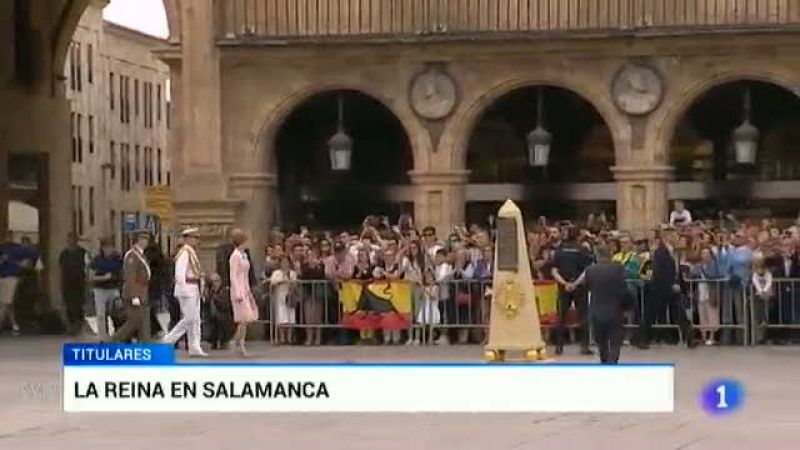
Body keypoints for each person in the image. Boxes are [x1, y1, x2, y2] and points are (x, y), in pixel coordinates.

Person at [634, 233, 695, 349]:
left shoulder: (673, 252)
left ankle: (689, 338)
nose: (677, 238)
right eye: (674, 236)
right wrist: (671, 285)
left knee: (680, 314)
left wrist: (680, 286)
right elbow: (660, 272)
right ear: (668, 238)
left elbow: (676, 271)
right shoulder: (660, 252)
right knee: (649, 315)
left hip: (671, 289)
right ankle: (640, 339)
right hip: (660, 289)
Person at [577, 245, 633, 364]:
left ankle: (605, 363)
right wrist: (628, 306)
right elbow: (624, 290)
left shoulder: (590, 270)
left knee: (601, 343)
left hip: (597, 311)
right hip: (615, 311)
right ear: (610, 254)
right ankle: (612, 363)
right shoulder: (619, 269)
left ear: (597, 255)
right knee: (615, 342)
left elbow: (587, 288)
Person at [162, 228, 208, 357]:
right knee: (189, 318)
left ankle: (195, 346)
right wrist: (183, 290)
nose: (197, 240)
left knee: (196, 319)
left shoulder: (192, 252)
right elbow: (180, 273)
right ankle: (168, 340)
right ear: (187, 239)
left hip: (194, 287)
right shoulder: (184, 253)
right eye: (194, 237)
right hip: (187, 287)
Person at [550, 227, 593, 355]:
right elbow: (587, 270)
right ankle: (584, 346)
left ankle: (559, 346)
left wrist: (565, 283)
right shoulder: (582, 250)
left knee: (561, 317)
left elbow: (554, 270)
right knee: (583, 316)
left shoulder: (559, 250)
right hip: (579, 286)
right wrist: (575, 283)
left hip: (563, 286)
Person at [109, 230, 152, 343]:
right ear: (136, 240)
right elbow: (130, 277)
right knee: (134, 321)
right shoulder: (132, 255)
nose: (145, 241)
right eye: (142, 239)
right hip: (134, 293)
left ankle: (147, 346)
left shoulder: (141, 254)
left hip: (142, 292)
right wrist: (134, 296)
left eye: (146, 239)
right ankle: (113, 341)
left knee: (144, 322)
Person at [229, 229, 259, 356]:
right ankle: (238, 343)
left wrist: (248, 290)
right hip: (238, 289)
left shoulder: (244, 255)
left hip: (245, 288)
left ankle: (237, 342)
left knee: (246, 318)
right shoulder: (235, 256)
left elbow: (246, 274)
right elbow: (233, 276)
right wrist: (238, 292)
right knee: (244, 318)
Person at [89, 238, 123, 340]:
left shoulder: (117, 259)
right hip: (100, 289)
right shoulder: (97, 260)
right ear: (102, 248)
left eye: (111, 247)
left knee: (118, 312)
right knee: (101, 314)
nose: (109, 250)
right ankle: (103, 337)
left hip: (114, 288)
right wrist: (103, 277)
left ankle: (119, 334)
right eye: (106, 247)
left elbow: (122, 272)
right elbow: (91, 277)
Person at [59, 232, 90, 335]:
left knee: (79, 304)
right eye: (69, 239)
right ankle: (71, 326)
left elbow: (87, 266)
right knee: (69, 304)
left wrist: (87, 279)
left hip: (79, 282)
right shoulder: (64, 254)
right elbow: (61, 269)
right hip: (67, 282)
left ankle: (79, 325)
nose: (71, 241)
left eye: (73, 239)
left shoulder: (82, 252)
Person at [0, 231, 25, 334]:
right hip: (2, 277)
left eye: (10, 236)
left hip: (12, 277)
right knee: (7, 302)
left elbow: (24, 263)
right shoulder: (1, 248)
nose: (8, 238)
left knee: (7, 302)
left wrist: (15, 262)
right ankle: (14, 325)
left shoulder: (17, 249)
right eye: (7, 236)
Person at [270, 256, 298, 345]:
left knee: (290, 317)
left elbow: (295, 283)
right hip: (280, 296)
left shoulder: (293, 273)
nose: (285, 264)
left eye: (286, 262)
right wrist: (281, 281)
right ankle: (282, 338)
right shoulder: (276, 273)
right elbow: (272, 283)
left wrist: (289, 279)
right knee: (281, 317)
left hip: (289, 296)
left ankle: (289, 338)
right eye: (283, 262)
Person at [204, 273, 233, 351]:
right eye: (213, 282)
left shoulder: (225, 290)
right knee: (211, 321)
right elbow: (205, 304)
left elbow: (225, 304)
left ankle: (224, 341)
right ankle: (213, 341)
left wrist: (215, 298)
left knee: (222, 320)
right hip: (212, 315)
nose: (215, 284)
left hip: (223, 313)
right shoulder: (209, 291)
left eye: (216, 281)